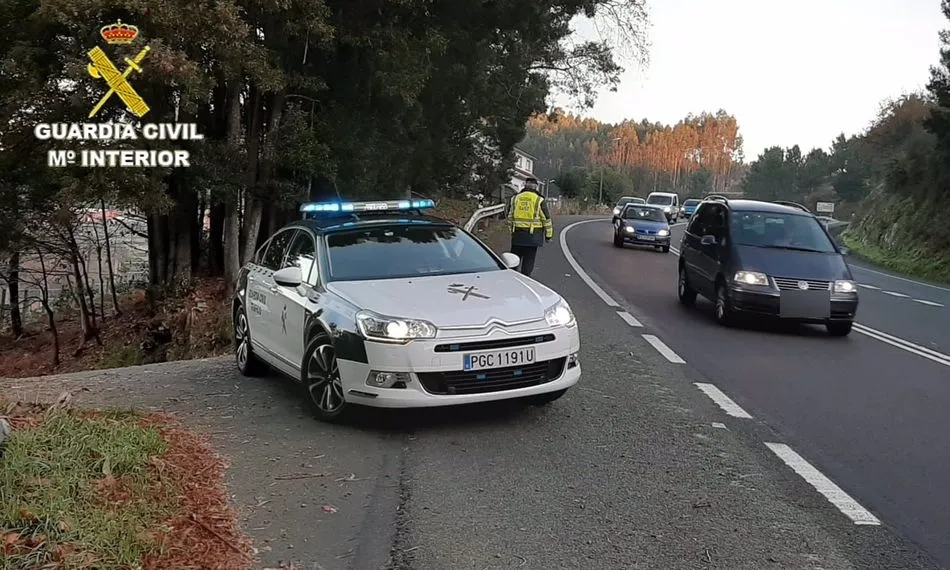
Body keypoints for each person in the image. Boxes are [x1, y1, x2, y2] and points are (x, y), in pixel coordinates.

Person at [505, 177, 553, 277]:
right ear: (536, 187)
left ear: (525, 185)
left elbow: (509, 216)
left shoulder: (515, 198)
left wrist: (511, 231)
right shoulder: (539, 200)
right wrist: (548, 236)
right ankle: (525, 280)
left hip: (517, 234)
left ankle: (511, 279)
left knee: (514, 260)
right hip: (533, 237)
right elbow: (546, 219)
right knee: (528, 262)